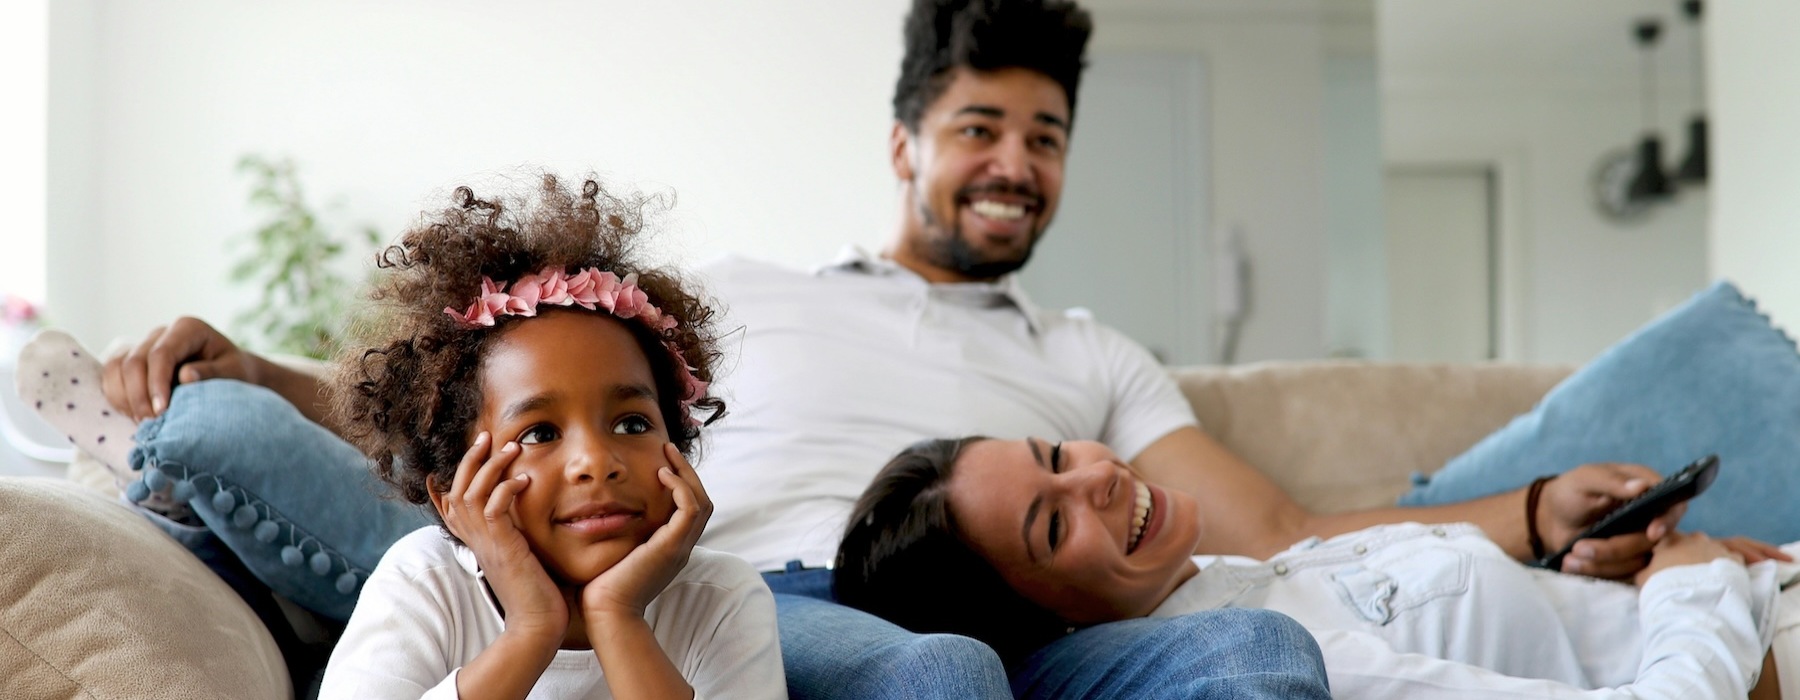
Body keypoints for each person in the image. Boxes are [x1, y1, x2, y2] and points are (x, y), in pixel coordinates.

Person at [89, 0, 1705, 697]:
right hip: (772, 592)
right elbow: (492, 391)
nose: (1014, 160)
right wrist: (272, 371)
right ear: (903, 142)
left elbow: (1273, 538)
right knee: (926, 672)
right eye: (980, 124)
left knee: (1259, 655)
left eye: (1048, 134)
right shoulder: (719, 300)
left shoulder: (1096, 360)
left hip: (1027, 635)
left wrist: (1532, 512)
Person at [835, 436, 1800, 699]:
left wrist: (1596, 566)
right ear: (1044, 623)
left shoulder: (1229, 576)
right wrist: (1693, 578)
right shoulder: (1283, 661)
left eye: (1057, 453)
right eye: (1051, 528)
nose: (1099, 475)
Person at [316, 176, 784, 698]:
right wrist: (533, 630)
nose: (595, 461)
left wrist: (618, 617)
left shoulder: (721, 599)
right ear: (451, 498)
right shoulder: (425, 585)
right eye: (540, 432)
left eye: (632, 423)